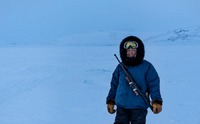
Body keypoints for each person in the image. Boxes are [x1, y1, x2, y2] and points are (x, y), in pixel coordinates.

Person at [106, 36, 163, 124]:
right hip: (122, 106)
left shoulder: (147, 67)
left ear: (138, 52)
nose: (130, 53)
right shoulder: (120, 67)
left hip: (139, 107)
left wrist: (156, 101)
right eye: (128, 51)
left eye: (133, 50)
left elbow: (153, 85)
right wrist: (110, 100)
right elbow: (114, 85)